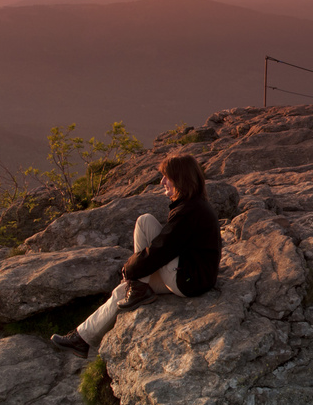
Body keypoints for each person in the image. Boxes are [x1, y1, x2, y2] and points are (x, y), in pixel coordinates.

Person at [51, 153, 221, 358]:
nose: (162, 182)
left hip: (190, 280)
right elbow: (165, 248)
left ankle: (138, 288)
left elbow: (160, 251)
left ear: (180, 179)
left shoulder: (190, 212)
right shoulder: (193, 206)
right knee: (124, 290)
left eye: (167, 177)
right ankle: (81, 338)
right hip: (192, 277)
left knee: (144, 222)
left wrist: (130, 268)